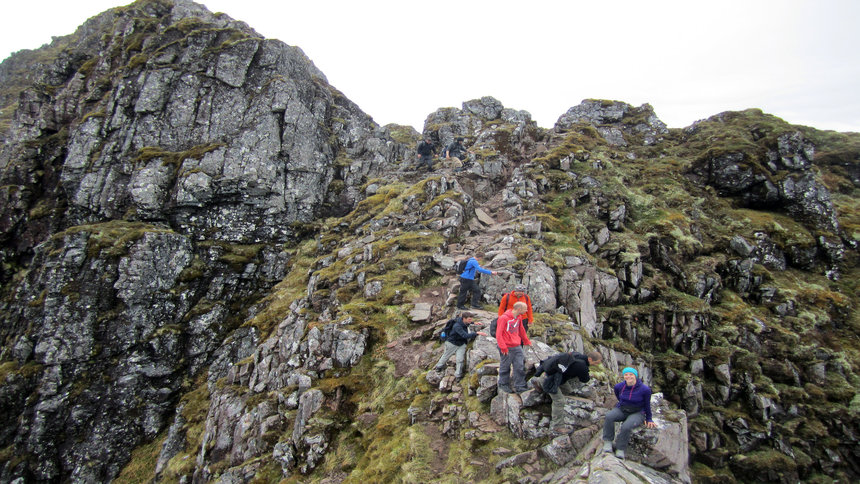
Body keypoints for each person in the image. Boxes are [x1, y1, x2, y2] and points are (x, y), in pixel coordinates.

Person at [532, 350, 603, 433]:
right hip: (550, 380)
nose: (597, 364)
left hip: (555, 376)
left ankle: (542, 386)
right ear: (590, 359)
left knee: (568, 390)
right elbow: (585, 379)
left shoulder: (576, 355)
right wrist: (587, 372)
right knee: (559, 401)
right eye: (597, 362)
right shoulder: (582, 366)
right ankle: (557, 427)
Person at [602, 367, 658, 459]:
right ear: (624, 376)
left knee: (626, 426)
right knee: (609, 416)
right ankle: (608, 442)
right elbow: (618, 396)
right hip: (622, 409)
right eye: (626, 374)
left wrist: (649, 418)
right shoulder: (619, 386)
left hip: (637, 412)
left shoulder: (645, 389)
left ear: (635, 376)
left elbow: (647, 404)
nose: (628, 376)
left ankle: (620, 448)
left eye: (631, 374)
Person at [433, 312, 486, 379]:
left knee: (460, 359)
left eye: (471, 319)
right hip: (452, 343)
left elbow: (467, 324)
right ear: (464, 318)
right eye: (469, 319)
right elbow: (465, 335)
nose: (470, 320)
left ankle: (458, 375)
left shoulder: (463, 322)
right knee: (446, 355)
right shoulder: (457, 326)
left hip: (461, 344)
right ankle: (439, 367)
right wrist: (476, 333)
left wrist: (474, 323)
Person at [496, 301, 531, 393]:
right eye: (525, 309)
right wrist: (503, 347)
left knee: (519, 366)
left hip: (517, 345)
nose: (526, 311)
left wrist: (526, 340)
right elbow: (498, 334)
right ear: (519, 309)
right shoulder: (504, 318)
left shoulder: (519, 317)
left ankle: (520, 386)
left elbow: (521, 330)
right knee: (505, 366)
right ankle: (503, 384)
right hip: (506, 346)